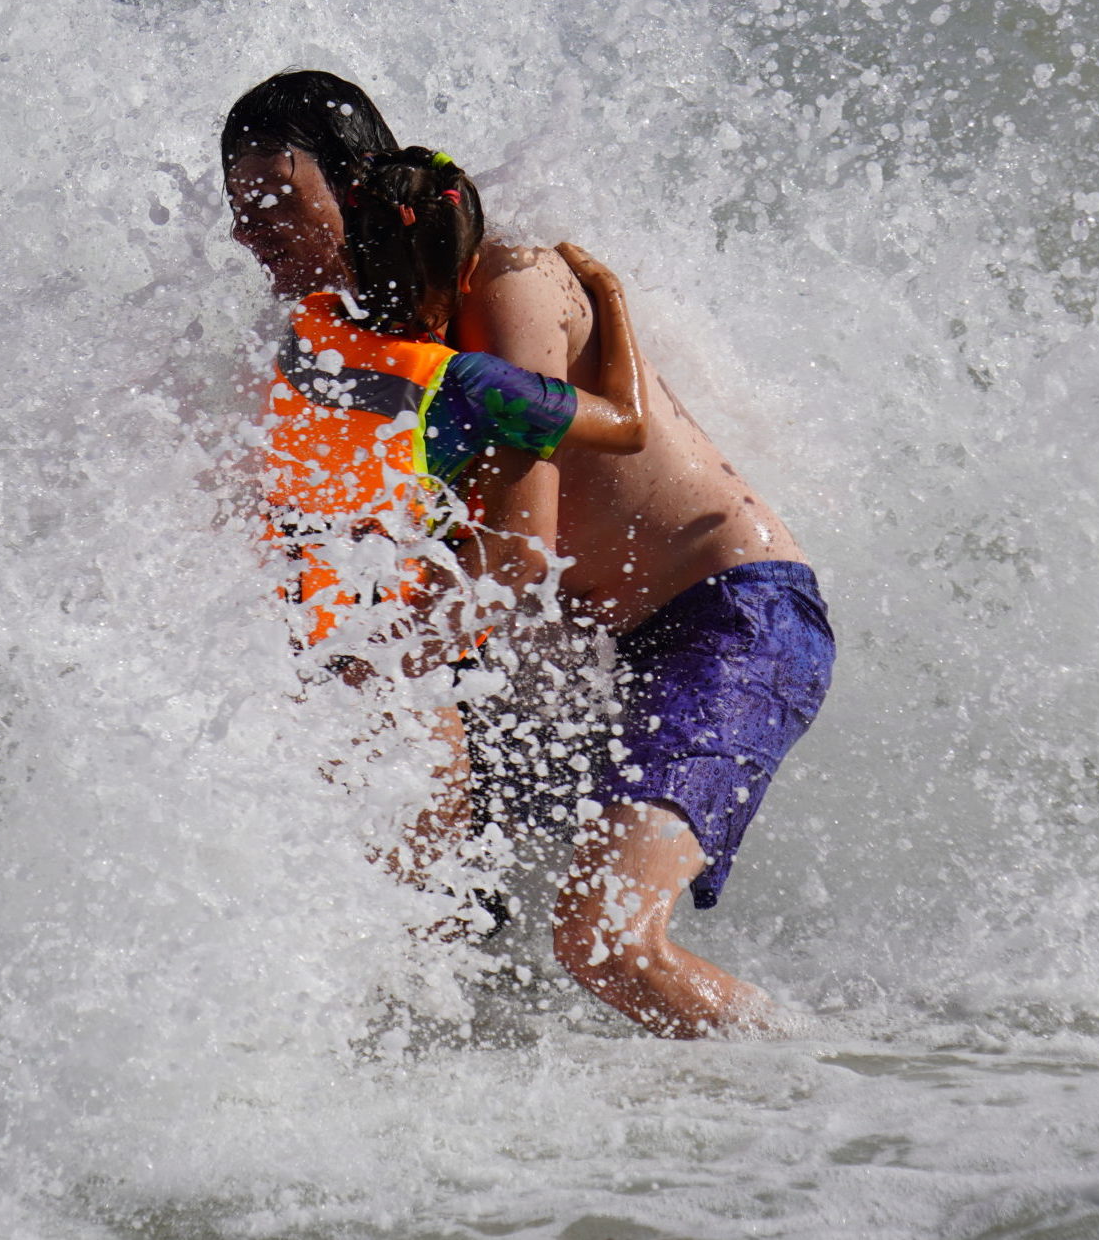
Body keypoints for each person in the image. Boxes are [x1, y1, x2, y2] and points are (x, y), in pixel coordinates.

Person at [223, 71, 834, 1039]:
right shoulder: (359, 342)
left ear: (352, 185)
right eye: (236, 209)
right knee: (429, 912)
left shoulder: (509, 281)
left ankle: (835, 1093)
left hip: (724, 618)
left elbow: (515, 558)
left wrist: (370, 665)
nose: (247, 233)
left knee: (606, 944)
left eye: (273, 201)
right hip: (576, 660)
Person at [250, 143, 648, 907]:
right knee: (426, 923)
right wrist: (610, 294)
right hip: (393, 675)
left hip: (290, 651)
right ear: (464, 277)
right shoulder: (471, 385)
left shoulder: (307, 331)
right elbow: (627, 426)